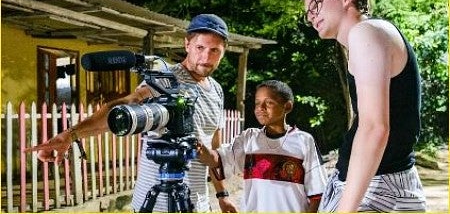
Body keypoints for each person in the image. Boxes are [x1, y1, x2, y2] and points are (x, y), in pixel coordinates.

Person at [26, 14, 238, 213]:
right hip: (154, 203)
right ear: (187, 44)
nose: (205, 57)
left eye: (214, 51)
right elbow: (127, 105)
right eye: (200, 47)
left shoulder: (217, 90)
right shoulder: (166, 78)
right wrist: (70, 135)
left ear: (223, 52)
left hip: (198, 204)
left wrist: (222, 194)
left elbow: (214, 150)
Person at [296, 0, 427, 212]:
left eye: (316, 4)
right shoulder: (369, 36)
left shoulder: (365, 32)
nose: (312, 16)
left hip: (379, 190)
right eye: (308, 13)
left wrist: (345, 209)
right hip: (381, 184)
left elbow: (375, 128)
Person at [197, 80, 327, 212]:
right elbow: (217, 160)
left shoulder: (304, 141)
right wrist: (199, 148)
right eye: (257, 103)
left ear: (287, 107)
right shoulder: (249, 138)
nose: (260, 108)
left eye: (269, 102)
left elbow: (318, 194)